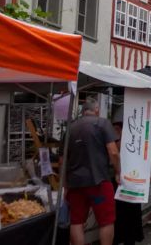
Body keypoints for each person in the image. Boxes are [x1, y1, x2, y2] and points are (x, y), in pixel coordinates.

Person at [66, 98, 120, 245]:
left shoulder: (71, 127)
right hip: (99, 181)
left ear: (83, 111)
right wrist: (118, 171)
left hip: (75, 183)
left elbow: (62, 159)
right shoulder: (103, 123)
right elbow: (113, 152)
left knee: (76, 221)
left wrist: (65, 184)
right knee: (106, 220)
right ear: (97, 110)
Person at [111, 120, 144, 245]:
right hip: (120, 182)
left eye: (117, 129)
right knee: (119, 214)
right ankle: (120, 238)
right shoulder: (115, 142)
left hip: (130, 182)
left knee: (129, 214)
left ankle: (128, 239)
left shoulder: (128, 144)